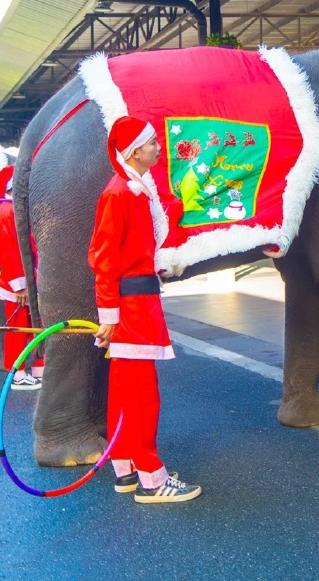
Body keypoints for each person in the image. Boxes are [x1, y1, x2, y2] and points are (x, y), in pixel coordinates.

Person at [89, 115, 201, 503]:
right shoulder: (119, 193)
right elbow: (103, 258)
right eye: (152, 142)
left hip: (133, 304)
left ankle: (125, 467)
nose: (158, 147)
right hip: (132, 308)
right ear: (135, 151)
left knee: (123, 389)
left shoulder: (135, 189)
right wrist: (109, 317)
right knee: (141, 394)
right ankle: (152, 478)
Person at [0, 167, 40, 390]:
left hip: (28, 280)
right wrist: (20, 285)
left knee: (35, 325)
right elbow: (7, 252)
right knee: (18, 329)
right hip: (17, 283)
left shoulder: (15, 210)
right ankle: (16, 374)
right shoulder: (6, 213)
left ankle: (38, 368)